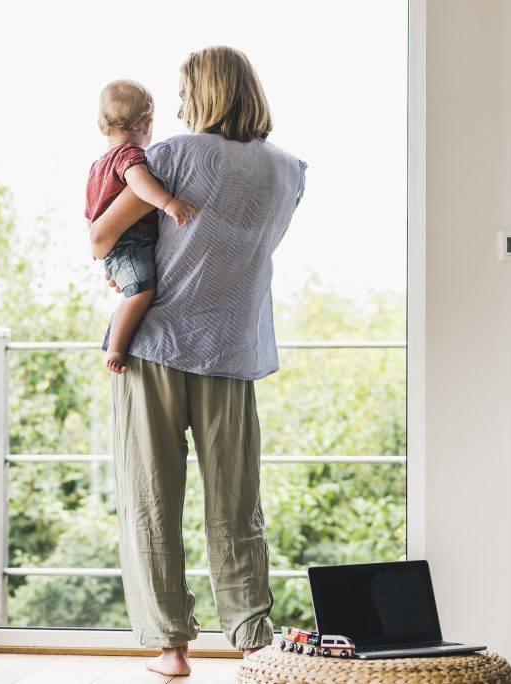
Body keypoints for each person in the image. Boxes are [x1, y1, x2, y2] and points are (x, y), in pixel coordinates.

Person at [88, 46, 307, 677]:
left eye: (184, 92)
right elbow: (254, 252)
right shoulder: (289, 171)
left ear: (207, 92)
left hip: (155, 348)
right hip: (233, 351)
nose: (179, 105)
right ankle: (253, 642)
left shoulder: (177, 154)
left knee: (152, 499)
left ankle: (171, 650)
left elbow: (103, 236)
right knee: (236, 504)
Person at [85, 79, 198, 374]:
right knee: (140, 293)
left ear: (102, 125)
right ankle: (117, 348)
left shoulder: (97, 166)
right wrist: (167, 202)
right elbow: (138, 182)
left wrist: (98, 250)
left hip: (113, 244)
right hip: (131, 240)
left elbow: (91, 214)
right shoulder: (129, 155)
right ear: (147, 125)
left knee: (133, 287)